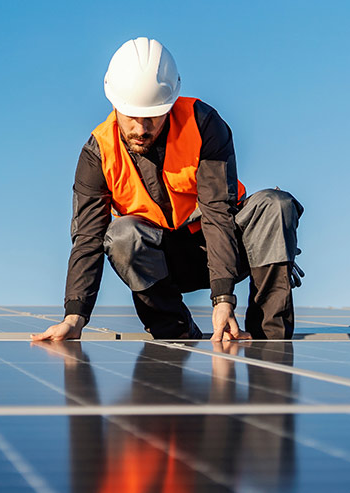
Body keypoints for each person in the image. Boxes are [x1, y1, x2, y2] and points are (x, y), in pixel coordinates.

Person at [32, 37, 303, 342]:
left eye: (152, 116)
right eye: (132, 116)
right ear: (115, 104)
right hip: (163, 262)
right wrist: (74, 317)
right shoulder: (98, 154)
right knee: (121, 236)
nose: (141, 128)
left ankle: (269, 338)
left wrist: (223, 298)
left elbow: (218, 211)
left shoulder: (203, 124)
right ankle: (176, 333)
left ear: (170, 104)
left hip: (226, 244)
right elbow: (87, 240)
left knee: (275, 206)